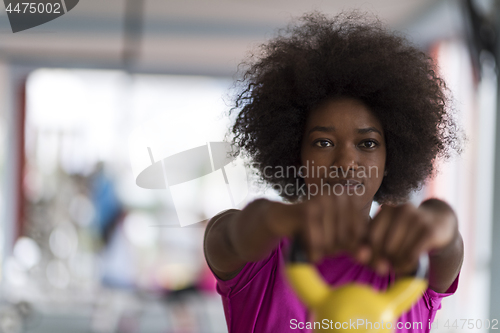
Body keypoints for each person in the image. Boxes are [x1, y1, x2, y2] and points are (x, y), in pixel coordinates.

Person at [203, 11, 464, 333]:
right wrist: (274, 218)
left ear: (390, 159)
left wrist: (439, 222)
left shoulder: (412, 263)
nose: (344, 161)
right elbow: (227, 235)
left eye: (367, 143)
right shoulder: (263, 256)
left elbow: (447, 242)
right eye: (323, 142)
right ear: (296, 154)